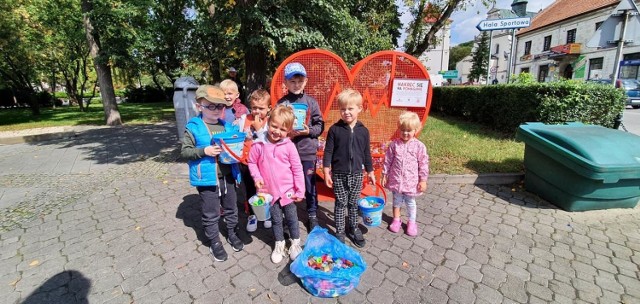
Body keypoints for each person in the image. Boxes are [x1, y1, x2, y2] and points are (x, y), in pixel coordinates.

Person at [180, 84, 244, 262]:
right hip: (207, 179)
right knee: (211, 213)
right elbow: (185, 152)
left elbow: (235, 147)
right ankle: (215, 241)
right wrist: (204, 151)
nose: (217, 110)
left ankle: (232, 233)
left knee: (232, 208)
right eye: (211, 106)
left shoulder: (227, 126)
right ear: (198, 106)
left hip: (228, 176)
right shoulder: (194, 127)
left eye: (220, 106)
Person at [248, 105, 305, 263]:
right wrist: (257, 177)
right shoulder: (259, 144)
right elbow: (252, 163)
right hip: (269, 192)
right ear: (268, 122)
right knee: (276, 220)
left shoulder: (289, 146)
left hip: (288, 191)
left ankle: (295, 244)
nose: (277, 131)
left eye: (283, 129)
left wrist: (300, 190)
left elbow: (297, 169)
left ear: (288, 131)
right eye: (274, 126)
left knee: (292, 218)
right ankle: (279, 244)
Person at [322, 89, 375, 247]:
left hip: (357, 174)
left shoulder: (363, 131)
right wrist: (326, 171)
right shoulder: (334, 130)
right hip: (339, 174)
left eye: (350, 108)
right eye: (343, 109)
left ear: (359, 108)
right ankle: (339, 231)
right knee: (340, 203)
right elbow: (328, 151)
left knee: (353, 203)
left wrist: (370, 171)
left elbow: (366, 153)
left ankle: (353, 227)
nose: (346, 112)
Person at [277, 62, 325, 230]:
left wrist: (308, 131)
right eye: (292, 81)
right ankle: (288, 213)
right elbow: (275, 126)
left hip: (307, 152)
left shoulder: (311, 103)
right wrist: (285, 133)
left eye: (300, 81)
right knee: (287, 183)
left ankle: (312, 213)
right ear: (285, 82)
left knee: (309, 183)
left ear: (305, 81)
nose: (296, 85)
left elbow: (320, 126)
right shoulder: (281, 104)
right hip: (285, 152)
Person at [381, 111, 429, 237]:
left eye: (409, 130)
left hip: (411, 182)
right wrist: (384, 174)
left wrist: (423, 180)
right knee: (396, 201)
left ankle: (412, 222)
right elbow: (388, 160)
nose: (405, 133)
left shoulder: (419, 147)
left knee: (410, 203)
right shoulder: (394, 145)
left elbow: (423, 164)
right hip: (397, 181)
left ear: (416, 130)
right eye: (403, 129)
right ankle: (396, 219)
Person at [237, 89, 272, 232]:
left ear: (269, 109)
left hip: (264, 164)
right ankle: (252, 215)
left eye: (261, 108)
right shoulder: (244, 119)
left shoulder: (270, 122)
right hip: (246, 163)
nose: (257, 111)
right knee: (250, 190)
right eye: (254, 108)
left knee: (265, 190)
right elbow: (238, 138)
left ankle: (267, 214)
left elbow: (270, 143)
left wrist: (259, 129)